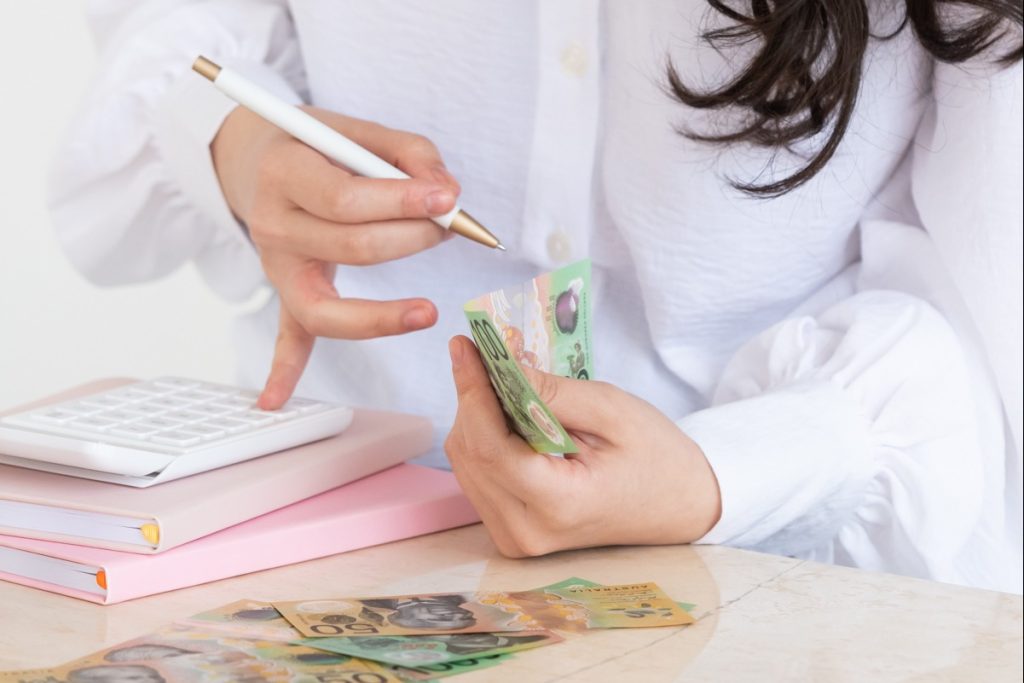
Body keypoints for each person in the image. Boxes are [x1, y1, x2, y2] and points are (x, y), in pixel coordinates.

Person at [49, 1, 1023, 593]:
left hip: (793, 584)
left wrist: (719, 473)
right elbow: (178, 38)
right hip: (327, 557)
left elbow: (996, 331)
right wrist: (235, 145)